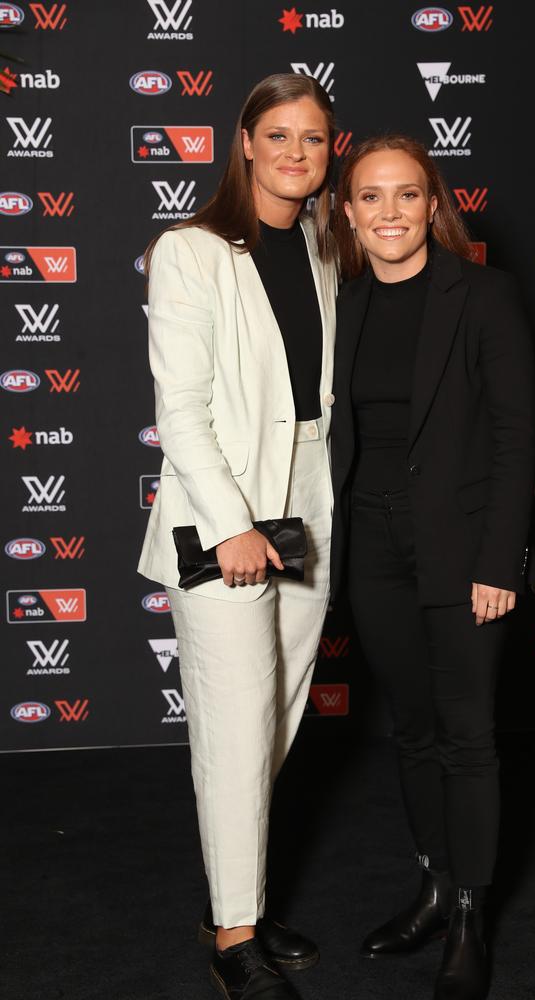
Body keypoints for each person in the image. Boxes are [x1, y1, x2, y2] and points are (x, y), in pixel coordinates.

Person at [138, 73, 337, 1000]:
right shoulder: (193, 250)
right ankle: (233, 938)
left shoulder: (328, 249)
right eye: (281, 135)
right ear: (245, 142)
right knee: (233, 725)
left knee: (276, 719)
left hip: (312, 495)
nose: (300, 153)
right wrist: (232, 525)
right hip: (227, 506)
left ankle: (240, 898)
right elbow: (179, 411)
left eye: (315, 138)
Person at [329, 135, 535, 1000]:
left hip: (460, 549)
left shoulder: (482, 295)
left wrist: (497, 560)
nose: (388, 213)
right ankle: (434, 883)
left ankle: (469, 919)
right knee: (410, 728)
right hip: (372, 546)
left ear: (432, 203)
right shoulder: (345, 301)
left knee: (466, 735)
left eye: (405, 195)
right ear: (347, 212)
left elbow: (514, 434)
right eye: (370, 198)